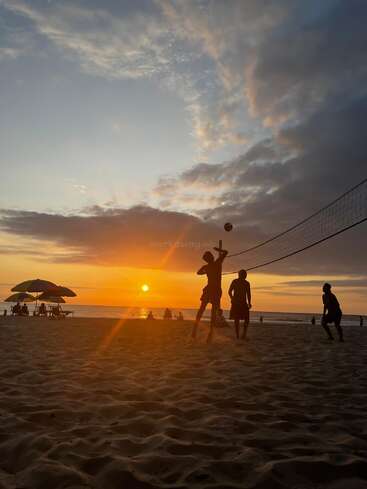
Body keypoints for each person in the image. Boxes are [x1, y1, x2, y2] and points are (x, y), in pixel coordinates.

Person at [192, 246, 228, 342]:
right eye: (210, 256)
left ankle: (199, 331)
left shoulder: (211, 265)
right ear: (209, 259)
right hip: (213, 289)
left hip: (213, 290)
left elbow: (199, 272)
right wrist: (219, 250)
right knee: (206, 311)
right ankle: (200, 331)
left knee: (204, 310)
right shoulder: (216, 264)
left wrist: (205, 270)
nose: (211, 257)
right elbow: (225, 252)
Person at [228, 270, 252, 340]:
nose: (245, 276)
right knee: (237, 319)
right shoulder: (235, 281)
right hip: (236, 303)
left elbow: (248, 294)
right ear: (240, 275)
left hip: (243, 303)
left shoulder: (247, 283)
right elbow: (229, 291)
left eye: (245, 275)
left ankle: (243, 334)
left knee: (246, 319)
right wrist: (232, 298)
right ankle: (238, 335)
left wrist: (249, 303)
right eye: (244, 274)